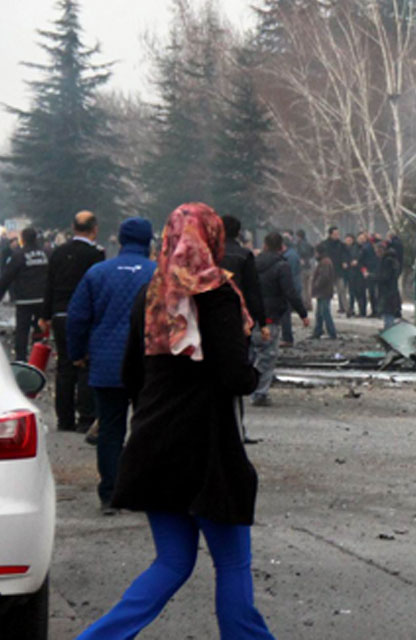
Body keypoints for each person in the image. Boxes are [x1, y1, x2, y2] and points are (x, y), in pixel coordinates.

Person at [77, 203, 274, 639]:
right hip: (206, 449)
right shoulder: (217, 294)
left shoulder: (151, 295)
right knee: (232, 563)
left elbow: (132, 374)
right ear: (213, 239)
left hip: (153, 445)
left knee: (171, 563)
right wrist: (252, 371)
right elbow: (233, 375)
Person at [65, 218, 156, 515]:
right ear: (149, 242)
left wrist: (77, 353)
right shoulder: (159, 274)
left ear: (118, 239)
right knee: (147, 427)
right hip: (149, 364)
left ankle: (110, 493)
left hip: (107, 363)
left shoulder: (98, 273)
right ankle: (143, 490)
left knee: (110, 429)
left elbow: (78, 317)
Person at [40, 210, 105, 432]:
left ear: (73, 227)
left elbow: (49, 284)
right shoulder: (95, 255)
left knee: (65, 367)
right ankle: (86, 417)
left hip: (59, 314)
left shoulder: (58, 253)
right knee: (85, 364)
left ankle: (64, 419)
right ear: (94, 229)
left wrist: (44, 315)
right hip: (85, 315)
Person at [250, 232, 309, 407]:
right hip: (271, 315)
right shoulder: (281, 266)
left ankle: (247, 386)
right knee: (267, 355)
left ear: (265, 245)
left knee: (252, 352)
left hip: (250, 314)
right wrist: (302, 313)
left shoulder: (252, 263)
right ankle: (259, 392)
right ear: (281, 247)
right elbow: (290, 292)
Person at [0, 227, 49, 363]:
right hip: (42, 299)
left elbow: (6, 277)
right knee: (40, 328)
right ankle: (38, 358)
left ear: (23, 239)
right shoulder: (46, 254)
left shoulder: (19, 255)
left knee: (22, 330)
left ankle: (21, 360)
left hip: (25, 300)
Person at [219, 215, 266, 330]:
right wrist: (261, 320)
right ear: (238, 233)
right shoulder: (244, 255)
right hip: (239, 310)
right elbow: (253, 288)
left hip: (213, 310)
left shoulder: (207, 254)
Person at [280, 234, 302, 347]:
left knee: (285, 314)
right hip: (291, 287)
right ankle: (286, 336)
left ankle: (287, 338)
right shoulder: (291, 254)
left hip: (290, 287)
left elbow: (290, 274)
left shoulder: (289, 256)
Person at [310, 252, 338, 339]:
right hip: (324, 291)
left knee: (325, 312)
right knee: (319, 313)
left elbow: (324, 277)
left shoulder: (325, 263)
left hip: (324, 291)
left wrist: (316, 285)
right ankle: (318, 331)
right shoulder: (325, 262)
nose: (315, 255)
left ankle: (332, 332)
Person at [319, 226, 346, 313]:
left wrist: (344, 261)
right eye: (335, 234)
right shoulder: (324, 244)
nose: (337, 235)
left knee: (341, 289)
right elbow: (319, 256)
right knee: (327, 291)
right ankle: (326, 307)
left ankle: (345, 307)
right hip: (328, 271)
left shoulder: (341, 245)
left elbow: (345, 255)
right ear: (330, 234)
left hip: (339, 270)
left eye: (338, 234)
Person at [376, 239, 403, 329]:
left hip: (387, 292)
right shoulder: (393, 259)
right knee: (389, 314)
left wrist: (373, 277)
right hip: (392, 291)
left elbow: (385, 277)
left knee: (388, 314)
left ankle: (389, 332)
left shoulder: (387, 261)